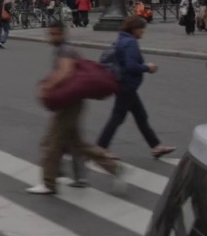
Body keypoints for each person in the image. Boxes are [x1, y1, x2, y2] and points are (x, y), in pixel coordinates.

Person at [28, 20, 122, 195]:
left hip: (69, 103)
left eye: (55, 33)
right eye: (51, 33)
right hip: (72, 101)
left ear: (63, 34)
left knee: (51, 142)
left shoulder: (65, 49)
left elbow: (66, 71)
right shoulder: (64, 49)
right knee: (77, 144)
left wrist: (48, 86)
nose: (52, 37)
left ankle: (49, 183)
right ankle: (114, 168)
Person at [95, 16, 174, 158]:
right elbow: (131, 66)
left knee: (141, 116)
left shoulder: (122, 39)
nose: (143, 32)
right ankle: (101, 147)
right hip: (127, 85)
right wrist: (147, 67)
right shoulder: (130, 42)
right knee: (118, 117)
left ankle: (155, 146)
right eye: (142, 29)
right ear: (135, 29)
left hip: (123, 84)